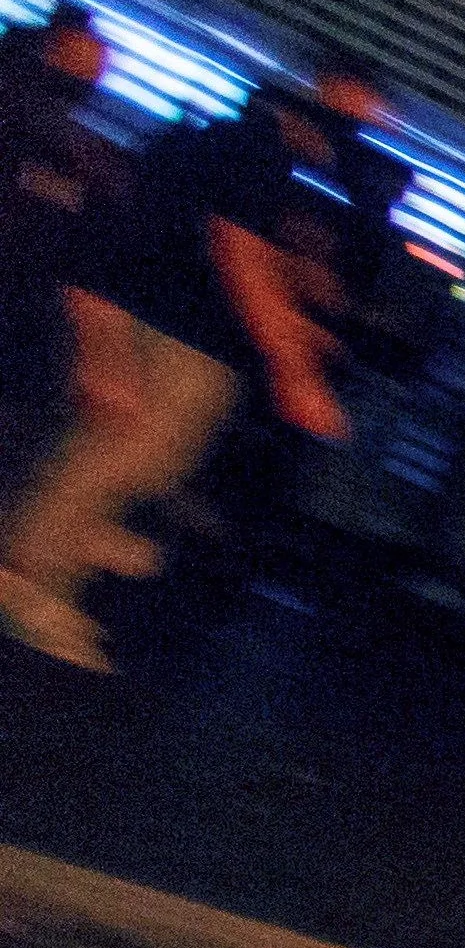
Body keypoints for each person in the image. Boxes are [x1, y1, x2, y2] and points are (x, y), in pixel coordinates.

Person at [3, 50, 381, 669]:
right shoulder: (258, 152)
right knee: (110, 464)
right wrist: (296, 373)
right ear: (324, 97)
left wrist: (296, 326)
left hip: (163, 328)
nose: (353, 141)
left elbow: (229, 250)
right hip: (170, 335)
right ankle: (29, 583)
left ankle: (53, 558)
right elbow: (237, 256)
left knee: (130, 465)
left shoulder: (228, 147)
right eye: (355, 119)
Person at [0, 10, 122, 498]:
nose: (98, 76)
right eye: (93, 63)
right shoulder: (26, 106)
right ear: (60, 46)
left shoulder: (53, 126)